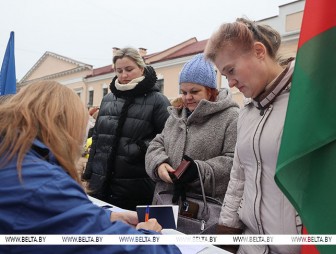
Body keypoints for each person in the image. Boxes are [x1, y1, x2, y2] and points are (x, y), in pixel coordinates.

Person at [0, 81, 180, 254]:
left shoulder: (14, 160)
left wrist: (105, 217)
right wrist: (151, 235)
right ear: (65, 128)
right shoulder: (44, 185)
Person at [204, 18, 300, 254]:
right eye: (225, 76)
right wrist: (226, 236)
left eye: (231, 70)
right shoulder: (246, 113)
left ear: (258, 51)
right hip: (251, 247)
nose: (231, 82)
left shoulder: (306, 102)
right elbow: (238, 179)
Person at [145, 53, 239, 233]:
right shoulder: (176, 115)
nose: (187, 97)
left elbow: (234, 161)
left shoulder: (230, 117)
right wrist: (159, 164)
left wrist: (198, 171)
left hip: (202, 212)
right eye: (184, 91)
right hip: (165, 202)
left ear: (210, 90)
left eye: (194, 92)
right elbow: (157, 143)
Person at [83, 47, 171, 211]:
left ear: (141, 68)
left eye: (129, 69)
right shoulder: (108, 99)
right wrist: (89, 174)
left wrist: (139, 148)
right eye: (119, 70)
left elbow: (170, 139)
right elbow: (97, 138)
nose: (123, 75)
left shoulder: (158, 100)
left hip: (137, 185)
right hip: (100, 184)